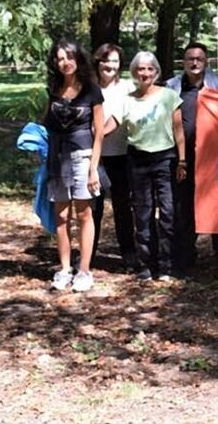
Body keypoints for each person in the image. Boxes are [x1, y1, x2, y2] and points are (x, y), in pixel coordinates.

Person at [43, 38, 104, 292]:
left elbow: (99, 132)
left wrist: (93, 169)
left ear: (78, 59)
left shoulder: (91, 90)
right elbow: (46, 122)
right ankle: (65, 268)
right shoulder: (53, 88)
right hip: (58, 158)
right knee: (60, 215)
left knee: (84, 214)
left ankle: (84, 270)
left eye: (68, 57)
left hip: (83, 156)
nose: (64, 63)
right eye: (59, 58)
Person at [126, 51, 186, 281]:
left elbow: (178, 131)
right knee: (143, 214)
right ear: (134, 72)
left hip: (166, 160)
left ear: (156, 71)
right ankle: (146, 264)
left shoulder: (169, 96)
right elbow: (109, 125)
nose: (145, 73)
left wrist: (182, 160)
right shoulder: (128, 99)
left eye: (150, 68)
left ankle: (167, 265)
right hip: (138, 160)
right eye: (141, 69)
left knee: (168, 213)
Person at [166, 43, 218, 273]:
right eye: (190, 58)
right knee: (184, 204)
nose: (194, 62)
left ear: (206, 61)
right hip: (182, 156)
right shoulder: (171, 87)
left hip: (214, 156)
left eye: (199, 58)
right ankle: (185, 253)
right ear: (183, 61)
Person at [92, 43, 137, 270]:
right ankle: (88, 254)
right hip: (94, 158)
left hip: (122, 155)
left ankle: (128, 251)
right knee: (93, 208)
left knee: (123, 207)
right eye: (106, 61)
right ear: (98, 62)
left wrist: (99, 132)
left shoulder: (128, 88)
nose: (110, 66)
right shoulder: (88, 87)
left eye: (115, 61)